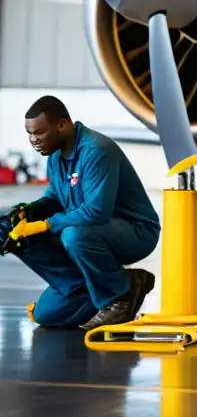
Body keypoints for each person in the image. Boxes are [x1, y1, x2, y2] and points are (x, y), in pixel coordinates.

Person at [0, 96, 159, 330]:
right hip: (90, 232)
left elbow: (96, 211)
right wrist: (31, 210)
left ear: (63, 125)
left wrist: (44, 224)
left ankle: (118, 298)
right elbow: (55, 198)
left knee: (74, 235)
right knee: (46, 315)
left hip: (135, 232)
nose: (34, 140)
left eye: (39, 133)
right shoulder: (55, 156)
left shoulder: (96, 151)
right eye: (30, 134)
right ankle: (114, 283)